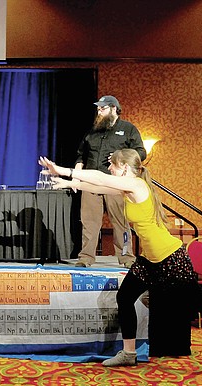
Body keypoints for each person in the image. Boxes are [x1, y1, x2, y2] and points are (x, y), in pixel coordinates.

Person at [38, 149, 202, 377]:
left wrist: (65, 170)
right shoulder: (127, 188)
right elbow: (97, 186)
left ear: (124, 167)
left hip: (170, 257)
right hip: (150, 260)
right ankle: (129, 352)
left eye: (112, 165)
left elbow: (101, 178)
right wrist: (68, 183)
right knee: (125, 297)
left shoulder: (137, 185)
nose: (110, 169)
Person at [73, 95, 147, 268]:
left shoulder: (128, 129)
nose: (99, 111)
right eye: (98, 108)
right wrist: (77, 173)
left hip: (115, 183)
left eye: (103, 108)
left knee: (120, 221)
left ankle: (126, 257)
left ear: (114, 108)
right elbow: (80, 154)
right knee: (89, 222)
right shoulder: (93, 130)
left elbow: (141, 152)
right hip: (92, 181)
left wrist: (122, 157)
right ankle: (86, 258)